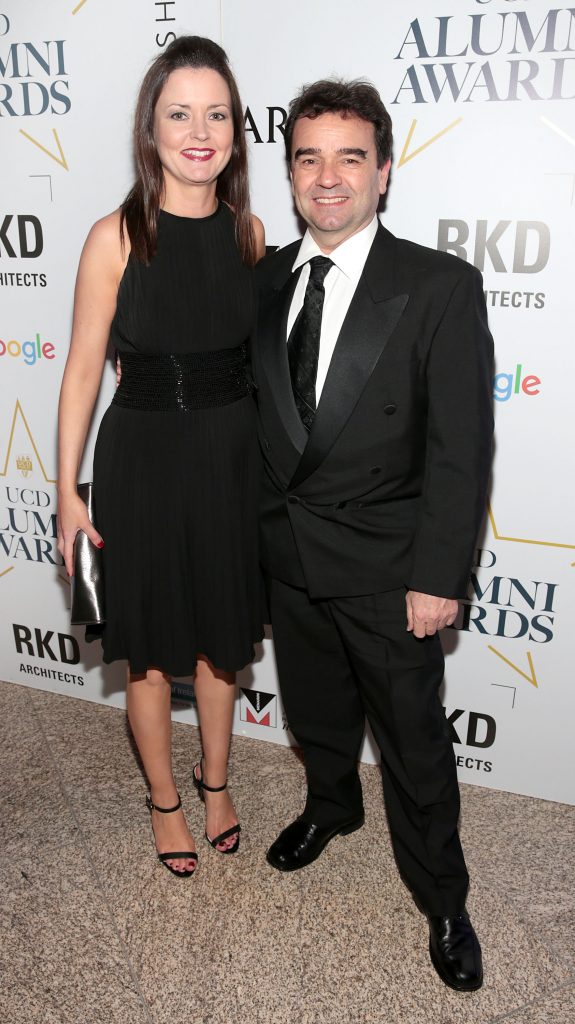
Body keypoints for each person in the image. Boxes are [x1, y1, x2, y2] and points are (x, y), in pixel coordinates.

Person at [252, 79, 493, 990]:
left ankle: (443, 899)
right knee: (315, 712)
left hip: (391, 568)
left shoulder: (437, 285)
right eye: (308, 158)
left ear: (383, 171)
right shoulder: (264, 277)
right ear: (289, 173)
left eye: (349, 158)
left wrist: (439, 575)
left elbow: (461, 446)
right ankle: (331, 805)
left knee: (412, 744)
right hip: (288, 555)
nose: (327, 177)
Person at [57, 36, 265, 878]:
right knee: (145, 652)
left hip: (229, 461)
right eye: (180, 114)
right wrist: (67, 491)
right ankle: (164, 801)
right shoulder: (116, 236)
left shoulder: (249, 233)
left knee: (222, 643)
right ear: (151, 129)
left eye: (216, 114)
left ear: (236, 130)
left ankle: (216, 784)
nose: (199, 132)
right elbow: (82, 369)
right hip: (140, 462)